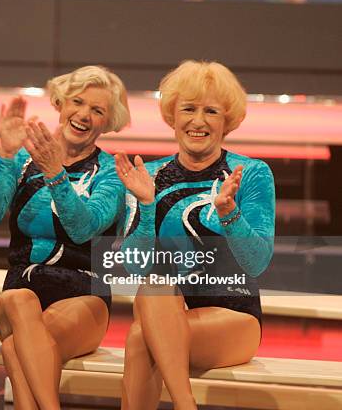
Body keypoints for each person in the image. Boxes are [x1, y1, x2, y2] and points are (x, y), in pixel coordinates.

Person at [116, 60, 275, 410]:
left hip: (234, 316)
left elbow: (258, 262)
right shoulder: (148, 176)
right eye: (188, 109)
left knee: (142, 338)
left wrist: (229, 214)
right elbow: (131, 267)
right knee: (153, 295)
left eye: (211, 111)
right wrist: (145, 205)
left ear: (227, 121)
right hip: (163, 312)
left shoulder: (251, 173)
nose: (198, 121)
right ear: (173, 115)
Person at [0, 65, 130, 409]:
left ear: (108, 122)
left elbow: (83, 228)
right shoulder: (23, 160)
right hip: (21, 289)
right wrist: (6, 155)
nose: (84, 115)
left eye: (97, 110)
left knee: (17, 347)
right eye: (78, 102)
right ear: (61, 104)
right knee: (19, 300)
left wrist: (56, 174)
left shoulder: (110, 175)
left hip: (83, 294)